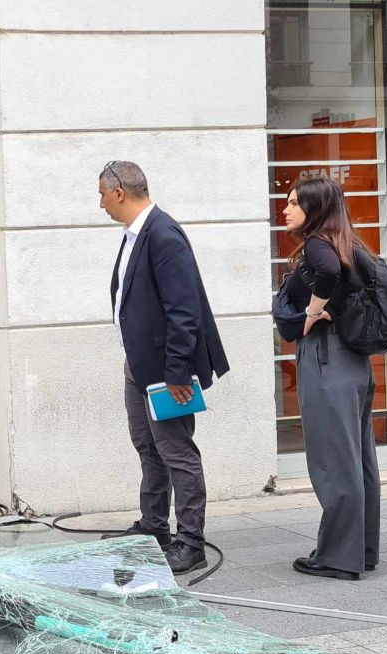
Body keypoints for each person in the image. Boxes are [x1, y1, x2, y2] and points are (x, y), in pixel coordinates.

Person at [97, 161, 229, 574]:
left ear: (119, 192)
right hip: (140, 364)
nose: (99, 203)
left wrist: (175, 373)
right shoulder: (136, 234)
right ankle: (154, 528)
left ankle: (191, 542)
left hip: (164, 370)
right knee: (148, 446)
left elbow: (184, 311)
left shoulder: (162, 234)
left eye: (102, 194)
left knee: (177, 452)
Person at [280, 177, 380, 581]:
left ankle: (338, 557)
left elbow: (324, 272)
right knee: (359, 460)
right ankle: (361, 550)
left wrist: (309, 313)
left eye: (292, 203)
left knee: (334, 461)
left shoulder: (320, 245)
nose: (285, 209)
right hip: (354, 362)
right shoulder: (351, 243)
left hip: (328, 360)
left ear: (314, 208)